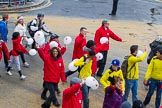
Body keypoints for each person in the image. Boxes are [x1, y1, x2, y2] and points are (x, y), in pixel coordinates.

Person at [41, 34, 66, 100]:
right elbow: (45, 56)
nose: (58, 39)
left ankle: (44, 92)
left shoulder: (57, 44)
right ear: (53, 39)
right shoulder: (48, 46)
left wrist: (64, 48)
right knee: (50, 82)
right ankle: (54, 99)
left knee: (49, 82)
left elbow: (60, 53)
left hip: (55, 67)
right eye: (57, 38)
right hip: (49, 67)